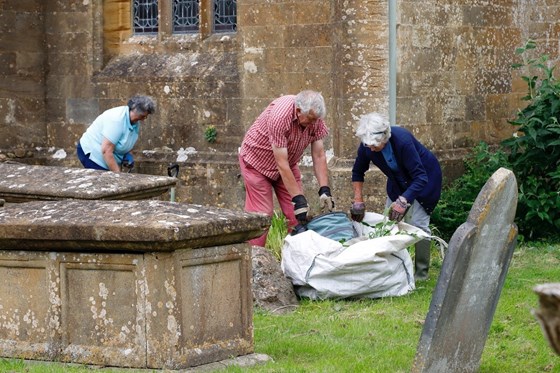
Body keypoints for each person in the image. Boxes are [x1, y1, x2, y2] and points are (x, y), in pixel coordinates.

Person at [350, 112, 442, 281]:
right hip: (397, 182)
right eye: (368, 145)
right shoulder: (367, 145)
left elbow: (420, 177)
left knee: (419, 226)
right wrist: (358, 200)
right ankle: (392, 270)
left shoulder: (402, 141)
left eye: (374, 146)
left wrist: (403, 200)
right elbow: (357, 171)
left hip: (425, 181)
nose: (370, 149)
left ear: (385, 137)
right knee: (388, 223)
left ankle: (421, 274)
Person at [239, 90, 335, 247]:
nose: (313, 124)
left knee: (298, 214)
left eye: (315, 121)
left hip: (287, 164)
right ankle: (254, 260)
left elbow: (319, 155)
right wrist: (297, 198)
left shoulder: (314, 118)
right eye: (310, 120)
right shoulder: (280, 117)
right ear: (298, 111)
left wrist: (324, 189)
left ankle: (297, 259)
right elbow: (281, 164)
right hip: (256, 163)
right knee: (262, 214)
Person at [76, 95, 155, 172]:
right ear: (135, 110)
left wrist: (128, 154)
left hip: (108, 154)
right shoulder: (117, 120)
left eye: (145, 117)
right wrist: (118, 176)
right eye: (142, 116)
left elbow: (128, 141)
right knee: (106, 182)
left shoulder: (134, 122)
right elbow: (106, 150)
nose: (144, 119)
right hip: (93, 153)